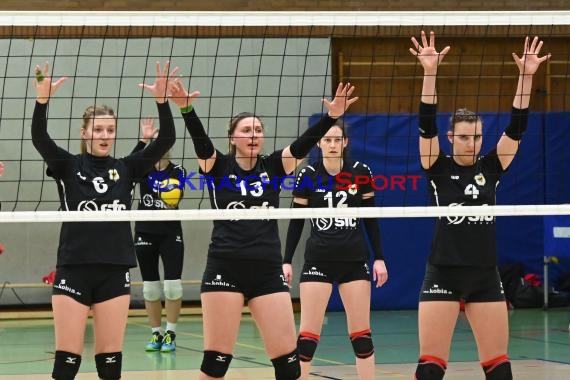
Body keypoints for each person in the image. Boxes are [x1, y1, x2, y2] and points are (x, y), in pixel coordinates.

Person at [168, 79, 358, 380]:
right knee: (216, 362)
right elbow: (201, 142)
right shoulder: (217, 167)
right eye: (246, 130)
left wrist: (331, 117)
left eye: (258, 130)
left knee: (288, 364)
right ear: (233, 137)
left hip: (267, 269)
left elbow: (304, 143)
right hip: (225, 267)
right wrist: (187, 109)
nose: (253, 135)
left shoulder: (272, 166)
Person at [409, 31, 549, 380]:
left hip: (485, 274)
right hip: (443, 272)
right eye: (464, 136)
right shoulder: (436, 165)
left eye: (477, 136)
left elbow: (516, 128)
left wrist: (526, 77)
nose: (471, 143)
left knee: (499, 369)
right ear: (451, 137)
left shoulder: (491, 167)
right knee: (429, 369)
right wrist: (430, 72)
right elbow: (426, 124)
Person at [31, 61, 177, 380]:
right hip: (74, 268)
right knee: (67, 362)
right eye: (98, 129)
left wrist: (163, 102)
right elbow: (40, 138)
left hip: (114, 270)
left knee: (110, 363)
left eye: (110, 130)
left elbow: (166, 140)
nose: (105, 135)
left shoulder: (127, 168)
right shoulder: (67, 166)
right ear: (85, 133)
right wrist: (42, 102)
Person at [282, 120, 388, 380]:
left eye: (337, 140)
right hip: (318, 259)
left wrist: (380, 258)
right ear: (319, 143)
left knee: (362, 336)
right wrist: (286, 260)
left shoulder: (360, 172)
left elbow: (371, 219)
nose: (331, 144)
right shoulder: (308, 174)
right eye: (327, 140)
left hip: (354, 260)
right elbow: (296, 221)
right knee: (307, 338)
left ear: (345, 143)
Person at [131, 117, 186, 353]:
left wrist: (170, 193)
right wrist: (142, 140)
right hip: (145, 231)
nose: (158, 146)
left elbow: (176, 197)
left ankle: (170, 334)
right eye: (154, 143)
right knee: (150, 288)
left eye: (160, 143)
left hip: (170, 233)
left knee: (173, 287)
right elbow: (127, 167)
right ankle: (156, 334)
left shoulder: (178, 170)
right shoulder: (143, 170)